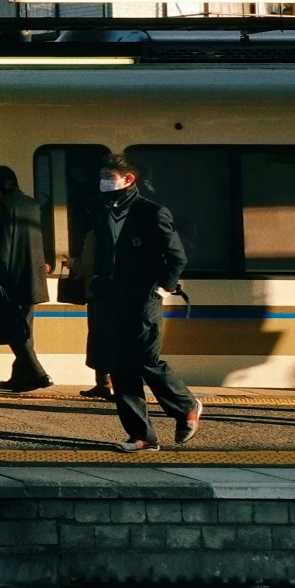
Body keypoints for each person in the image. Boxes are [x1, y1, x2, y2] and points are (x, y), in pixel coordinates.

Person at [84, 153, 198, 452]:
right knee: (120, 367)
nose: (103, 182)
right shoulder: (102, 209)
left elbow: (177, 257)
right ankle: (142, 435)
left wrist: (162, 289)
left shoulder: (152, 212)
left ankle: (186, 405)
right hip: (110, 299)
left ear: (128, 179)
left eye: (108, 176)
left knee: (147, 360)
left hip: (142, 298)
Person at [0, 165, 55, 392]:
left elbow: (1, 248)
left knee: (16, 331)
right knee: (24, 328)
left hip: (11, 279)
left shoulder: (3, 207)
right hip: (33, 276)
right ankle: (20, 377)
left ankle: (39, 374)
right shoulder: (32, 203)